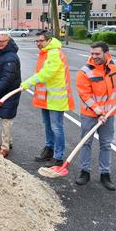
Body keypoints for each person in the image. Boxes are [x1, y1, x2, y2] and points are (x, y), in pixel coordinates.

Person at [74, 41, 116, 191]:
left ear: (106, 54)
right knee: (86, 143)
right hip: (90, 114)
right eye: (92, 54)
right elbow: (85, 95)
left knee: (106, 144)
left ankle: (105, 174)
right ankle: (84, 172)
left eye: (97, 54)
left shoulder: (115, 64)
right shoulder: (85, 72)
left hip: (109, 114)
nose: (94, 57)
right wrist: (99, 112)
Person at [21, 31, 75, 166]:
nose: (38, 43)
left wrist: (26, 84)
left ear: (49, 40)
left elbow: (46, 74)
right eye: (37, 41)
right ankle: (49, 149)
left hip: (56, 98)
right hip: (45, 97)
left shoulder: (54, 53)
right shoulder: (45, 52)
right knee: (48, 126)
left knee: (57, 127)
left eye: (41, 41)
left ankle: (58, 156)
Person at [0, 31, 21, 158]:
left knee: (6, 119)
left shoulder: (10, 57)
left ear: (8, 41)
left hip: (9, 92)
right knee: (5, 118)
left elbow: (8, 78)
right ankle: (7, 142)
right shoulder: (4, 53)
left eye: (2, 41)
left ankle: (5, 148)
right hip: (3, 91)